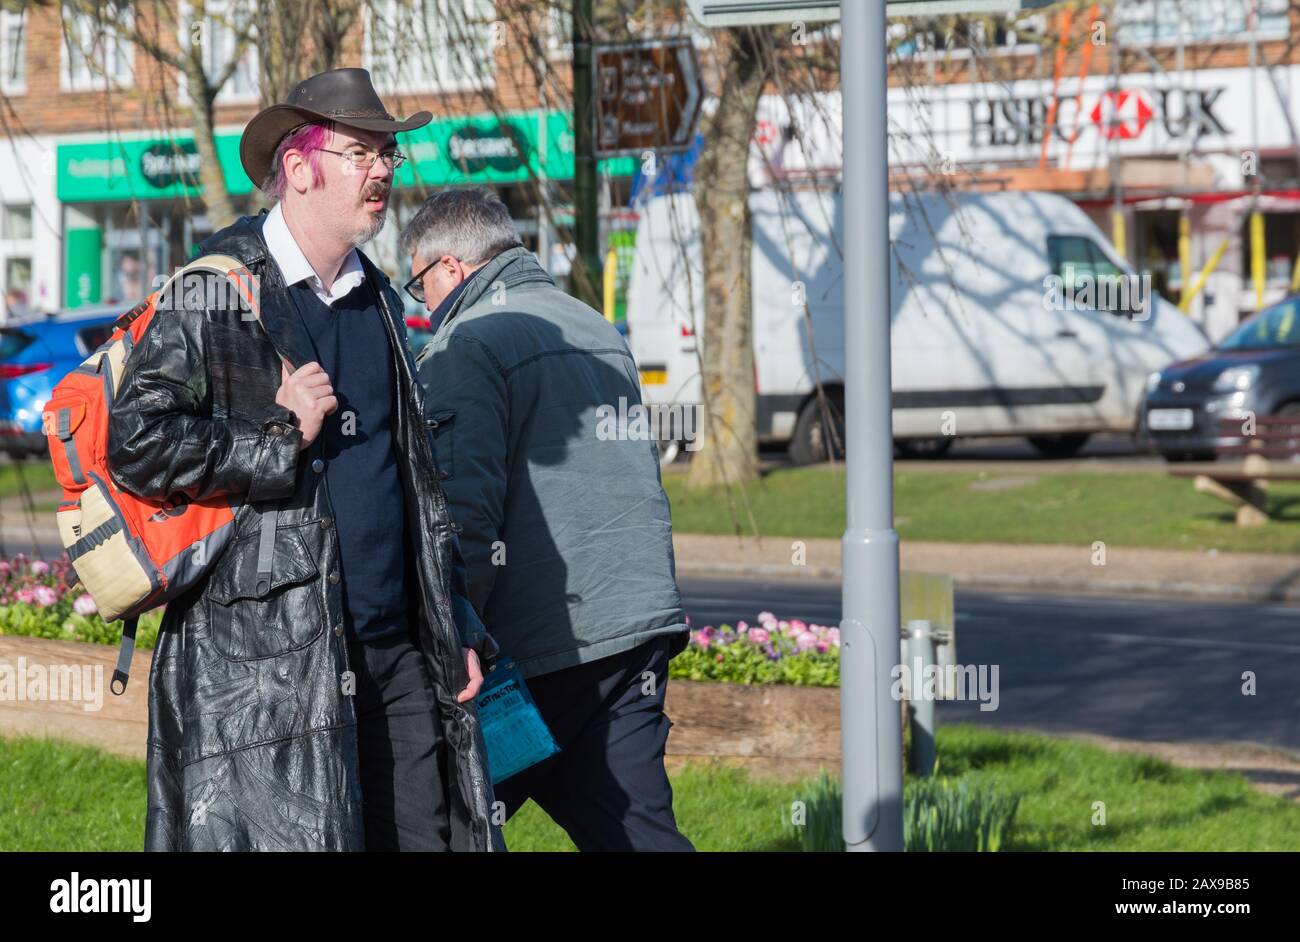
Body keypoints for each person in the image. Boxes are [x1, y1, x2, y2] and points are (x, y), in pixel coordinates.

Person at [105, 68, 501, 852]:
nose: (383, 170)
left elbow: (414, 478)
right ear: (299, 168)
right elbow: (136, 442)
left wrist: (452, 616)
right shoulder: (218, 293)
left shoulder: (381, 300)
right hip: (267, 662)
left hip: (395, 655)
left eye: (388, 153)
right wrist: (279, 435)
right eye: (361, 153)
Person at [401, 187, 693, 851]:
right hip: (631, 631)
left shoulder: (468, 343)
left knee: (441, 824)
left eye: (418, 283)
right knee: (638, 832)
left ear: (449, 267)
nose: (422, 304)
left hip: (538, 645)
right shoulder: (592, 326)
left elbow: (461, 510)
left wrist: (449, 629)